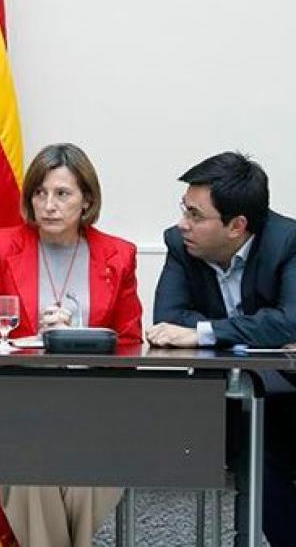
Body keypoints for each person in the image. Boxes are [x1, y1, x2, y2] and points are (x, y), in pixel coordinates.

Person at [0, 143, 140, 547]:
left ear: (87, 200)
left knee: (92, 479)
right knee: (30, 475)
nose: (49, 205)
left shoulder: (118, 255)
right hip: (20, 405)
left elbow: (131, 344)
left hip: (93, 409)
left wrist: (78, 334)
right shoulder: (2, 246)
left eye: (62, 194)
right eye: (40, 193)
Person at [146, 152, 296, 546]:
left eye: (196, 215)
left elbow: (291, 321)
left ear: (237, 226)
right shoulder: (180, 244)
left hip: (288, 395)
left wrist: (207, 332)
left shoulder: (288, 243)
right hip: (224, 401)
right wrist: (258, 330)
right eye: (185, 210)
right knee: (258, 452)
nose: (183, 224)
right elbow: (168, 321)